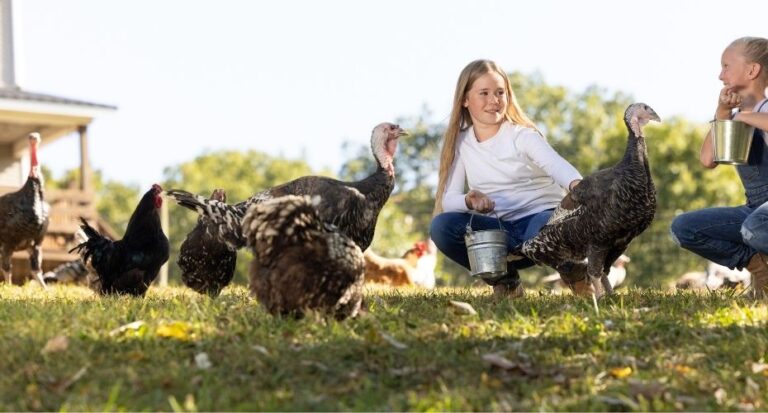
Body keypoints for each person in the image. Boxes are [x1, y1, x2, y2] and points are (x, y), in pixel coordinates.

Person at [429, 59, 583, 298]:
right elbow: (449, 200)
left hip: (541, 222)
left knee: (544, 227)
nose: (494, 100)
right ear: (465, 100)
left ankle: (577, 275)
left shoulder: (522, 135)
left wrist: (579, 187)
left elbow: (557, 166)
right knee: (441, 226)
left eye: (500, 92)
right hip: (500, 233)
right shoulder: (461, 143)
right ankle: (507, 282)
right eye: (484, 93)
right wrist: (469, 201)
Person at [670, 36, 768, 299]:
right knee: (683, 228)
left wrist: (743, 115)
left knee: (755, 226)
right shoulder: (735, 118)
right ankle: (761, 270)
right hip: (755, 210)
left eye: (726, 66)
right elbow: (708, 160)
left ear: (752, 70)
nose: (720, 75)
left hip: (761, 218)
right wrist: (722, 113)